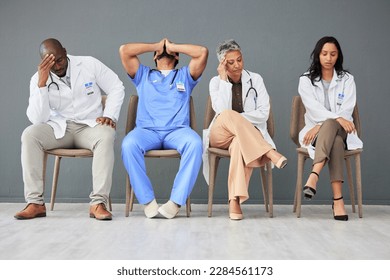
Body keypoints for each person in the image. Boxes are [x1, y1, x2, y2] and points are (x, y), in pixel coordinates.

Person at [15, 38, 125, 221]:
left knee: (106, 134)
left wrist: (110, 115)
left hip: (89, 126)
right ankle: (35, 203)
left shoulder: (89, 64)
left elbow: (116, 87)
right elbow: (37, 119)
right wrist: (42, 84)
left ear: (65, 52)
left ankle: (98, 203)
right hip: (60, 129)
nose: (57, 66)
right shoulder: (38, 78)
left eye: (59, 60)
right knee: (29, 135)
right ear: (43, 62)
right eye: (51, 63)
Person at [119, 38, 208, 219]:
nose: (165, 51)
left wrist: (173, 47)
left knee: (195, 143)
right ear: (154, 57)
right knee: (128, 144)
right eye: (161, 51)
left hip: (177, 131)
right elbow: (124, 50)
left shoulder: (184, 76)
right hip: (147, 131)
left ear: (177, 56)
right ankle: (148, 202)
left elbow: (202, 52)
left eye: (170, 50)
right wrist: (156, 46)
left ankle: (175, 203)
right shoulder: (143, 75)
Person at [203, 39, 287, 220]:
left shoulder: (255, 79)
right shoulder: (215, 82)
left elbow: (264, 113)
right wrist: (224, 80)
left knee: (240, 143)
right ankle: (269, 152)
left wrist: (239, 120)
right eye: (230, 62)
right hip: (220, 134)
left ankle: (234, 201)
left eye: (239, 60)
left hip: (244, 137)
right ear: (222, 64)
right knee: (227, 115)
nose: (237, 65)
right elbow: (221, 111)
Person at [298, 36, 363, 221]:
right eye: (324, 54)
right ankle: (338, 200)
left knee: (334, 128)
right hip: (319, 133)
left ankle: (314, 174)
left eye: (333, 54)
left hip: (343, 130)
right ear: (318, 55)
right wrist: (327, 122)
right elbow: (313, 109)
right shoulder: (305, 80)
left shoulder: (347, 79)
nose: (328, 58)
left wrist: (328, 122)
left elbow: (347, 110)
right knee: (334, 142)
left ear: (338, 56)